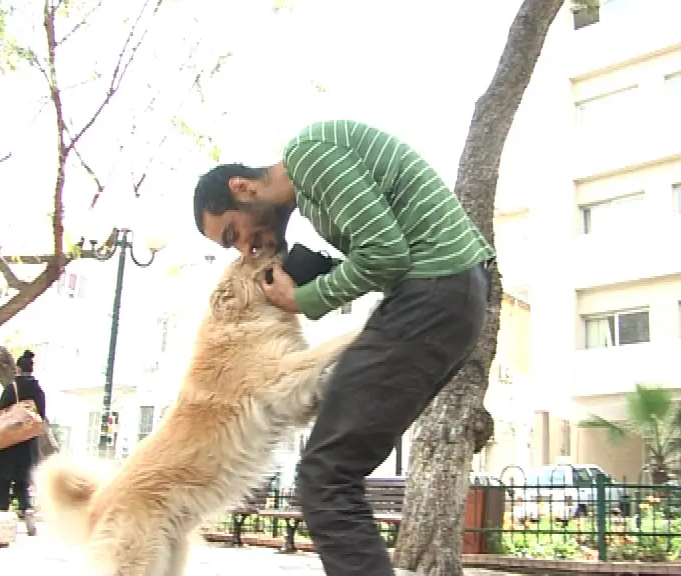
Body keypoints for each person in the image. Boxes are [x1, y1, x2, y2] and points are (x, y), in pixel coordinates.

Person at [193, 120, 495, 576]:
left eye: (234, 233)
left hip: (434, 294)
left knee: (325, 476)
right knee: (331, 469)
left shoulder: (309, 156)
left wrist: (303, 299)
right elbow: (383, 254)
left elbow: (386, 255)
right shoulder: (314, 194)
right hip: (444, 295)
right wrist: (316, 277)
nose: (244, 248)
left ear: (243, 187)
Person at [0, 349, 45, 536]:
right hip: (27, 445)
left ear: (18, 369)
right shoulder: (39, 392)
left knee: (3, 483)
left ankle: (1, 517)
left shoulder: (11, 388)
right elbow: (41, 418)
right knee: (22, 484)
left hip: (7, 444)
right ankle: (27, 510)